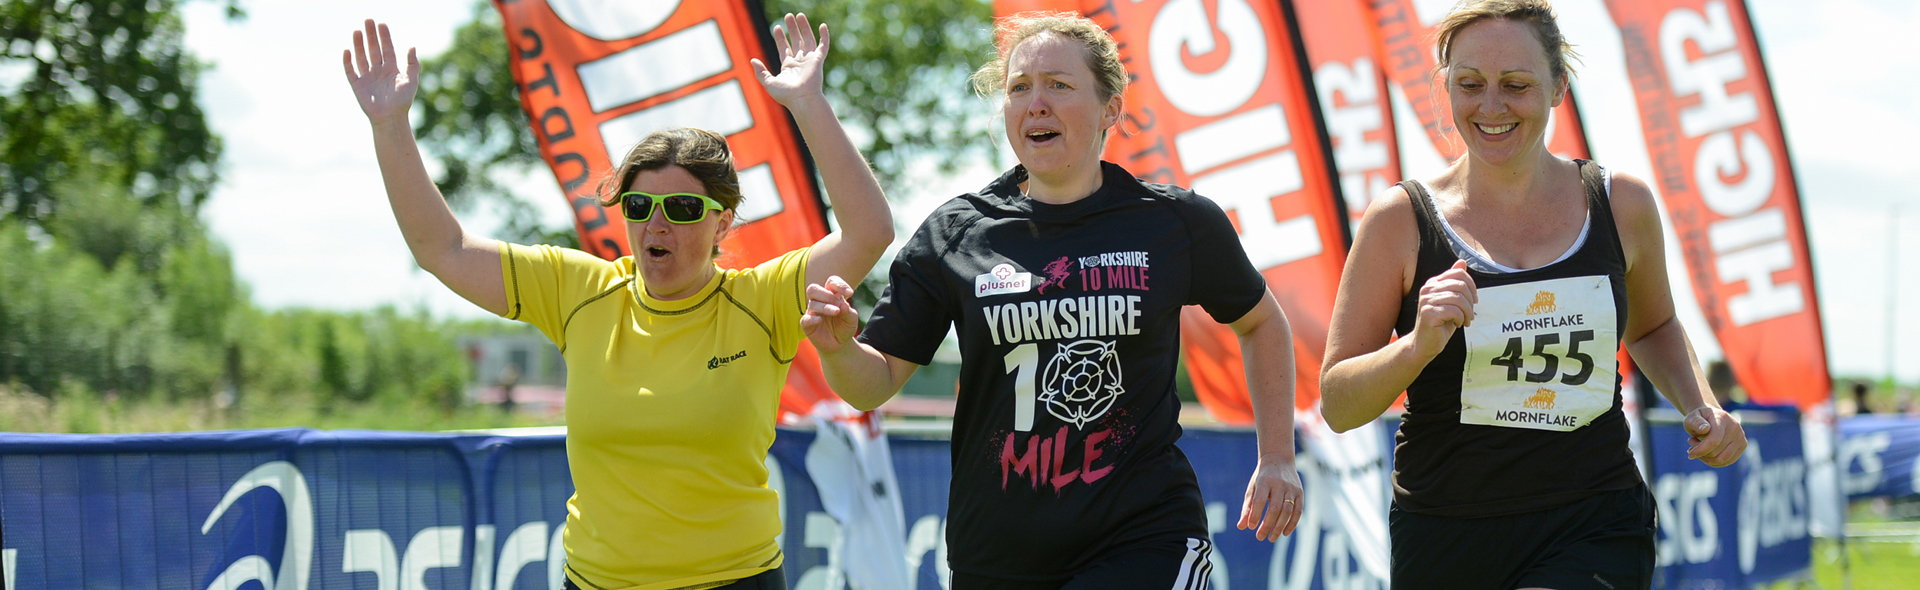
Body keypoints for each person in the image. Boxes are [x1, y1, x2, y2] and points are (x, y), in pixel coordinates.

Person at [341, 14, 892, 590]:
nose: (657, 224)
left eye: (681, 209)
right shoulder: (579, 291)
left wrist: (807, 104)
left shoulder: (761, 299)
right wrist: (390, 125)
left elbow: (869, 232)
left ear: (722, 222)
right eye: (638, 207)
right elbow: (444, 249)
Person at [799, 12, 1303, 590]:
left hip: (1145, 536)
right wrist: (838, 348)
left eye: (1059, 85)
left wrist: (1277, 456)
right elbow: (874, 382)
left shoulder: (1176, 223)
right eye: (1019, 88)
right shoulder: (956, 234)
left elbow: (1262, 322)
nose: (1036, 103)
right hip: (996, 554)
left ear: (1111, 109)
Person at [1317, 1, 1748, 588]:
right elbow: (1339, 404)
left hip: (1594, 520)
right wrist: (1416, 347)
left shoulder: (1620, 204)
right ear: (1446, 87)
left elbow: (1652, 327)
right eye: (1470, 84)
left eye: (1515, 85)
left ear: (1557, 88)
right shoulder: (1399, 221)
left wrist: (1702, 406)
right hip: (1447, 531)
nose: (1491, 107)